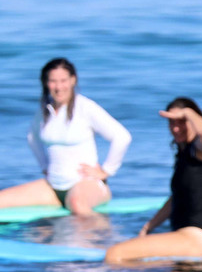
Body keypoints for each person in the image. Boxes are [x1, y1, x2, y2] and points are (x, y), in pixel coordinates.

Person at [0, 58, 131, 216]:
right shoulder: (45, 110)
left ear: (73, 80)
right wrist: (44, 166)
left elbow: (122, 136)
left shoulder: (85, 107)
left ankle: (108, 239)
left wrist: (106, 170)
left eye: (63, 81)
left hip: (87, 185)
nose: (58, 87)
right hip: (54, 186)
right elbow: (32, 138)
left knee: (77, 205)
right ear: (46, 83)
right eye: (53, 81)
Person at [104, 97, 202, 263]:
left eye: (181, 121)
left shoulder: (201, 152)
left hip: (198, 237)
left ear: (194, 119)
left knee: (115, 255)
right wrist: (150, 226)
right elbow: (177, 199)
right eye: (172, 122)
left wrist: (188, 112)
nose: (176, 128)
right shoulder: (184, 156)